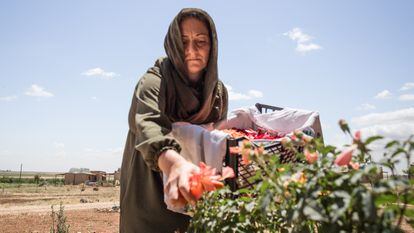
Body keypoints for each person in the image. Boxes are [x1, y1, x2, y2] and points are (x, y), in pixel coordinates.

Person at [120, 8, 228, 233]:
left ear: (212, 46)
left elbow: (218, 141)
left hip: (196, 195)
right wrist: (175, 164)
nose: (191, 50)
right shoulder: (153, 81)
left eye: (201, 41)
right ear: (173, 44)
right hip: (150, 193)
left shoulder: (217, 94)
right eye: (183, 41)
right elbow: (148, 126)